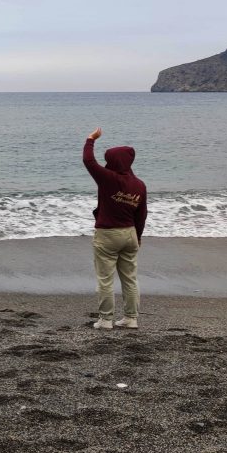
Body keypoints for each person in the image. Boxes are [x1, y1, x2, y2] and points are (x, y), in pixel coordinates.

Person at [83, 127, 147, 330]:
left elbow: (88, 161)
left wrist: (90, 139)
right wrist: (138, 236)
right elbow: (141, 214)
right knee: (130, 279)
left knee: (105, 279)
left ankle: (106, 319)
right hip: (129, 234)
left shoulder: (108, 178)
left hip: (108, 234)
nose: (106, 163)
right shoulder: (139, 185)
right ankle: (131, 318)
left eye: (108, 159)